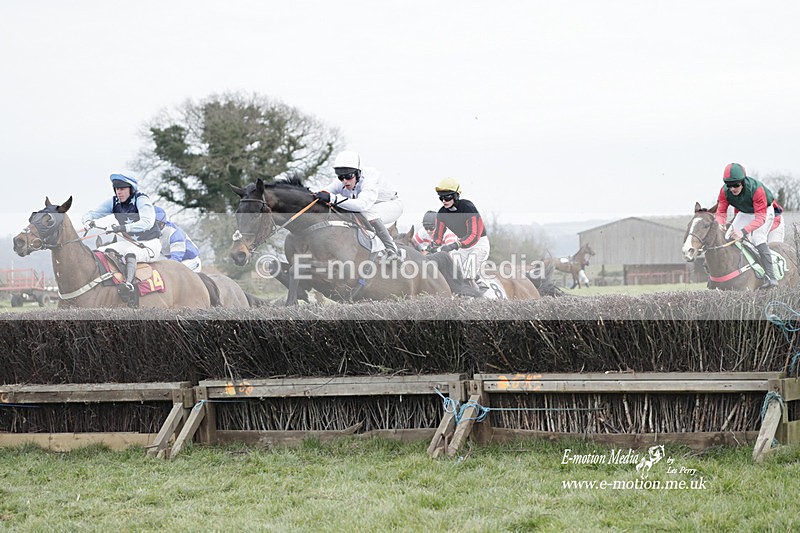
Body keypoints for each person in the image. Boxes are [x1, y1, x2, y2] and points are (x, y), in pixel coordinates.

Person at [81, 173, 161, 299]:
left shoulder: (142, 200)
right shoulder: (113, 202)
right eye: (117, 189)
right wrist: (87, 221)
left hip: (150, 244)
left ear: (131, 189)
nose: (119, 192)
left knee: (130, 252)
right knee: (101, 251)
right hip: (130, 242)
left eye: (122, 189)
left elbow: (147, 223)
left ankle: (129, 285)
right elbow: (92, 213)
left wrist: (122, 228)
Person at [313, 150, 403, 259]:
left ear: (358, 173)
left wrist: (332, 198)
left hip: (391, 204)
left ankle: (392, 250)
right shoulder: (343, 180)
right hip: (368, 207)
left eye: (348, 176)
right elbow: (324, 192)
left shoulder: (370, 178)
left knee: (367, 212)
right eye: (341, 177)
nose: (345, 181)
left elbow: (362, 205)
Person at [715, 162, 778, 289]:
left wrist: (743, 232)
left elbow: (760, 218)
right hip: (745, 212)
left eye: (736, 184)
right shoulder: (724, 191)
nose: (732, 189)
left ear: (743, 181)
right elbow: (721, 212)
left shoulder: (757, 189)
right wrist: (720, 223)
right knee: (728, 237)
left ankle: (771, 277)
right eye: (729, 185)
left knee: (758, 238)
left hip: (764, 212)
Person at [431, 177, 491, 289]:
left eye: (447, 197)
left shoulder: (467, 207)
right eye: (441, 198)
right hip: (461, 246)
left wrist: (454, 245)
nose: (444, 201)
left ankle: (478, 296)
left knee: (467, 273)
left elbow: (474, 235)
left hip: (478, 244)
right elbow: (438, 236)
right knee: (452, 271)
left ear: (455, 196)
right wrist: (432, 247)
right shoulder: (441, 213)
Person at [155, 206, 202, 272]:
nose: (155, 228)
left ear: (163, 223)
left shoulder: (175, 234)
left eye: (158, 224)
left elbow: (176, 259)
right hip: (168, 258)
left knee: (175, 274)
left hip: (189, 261)